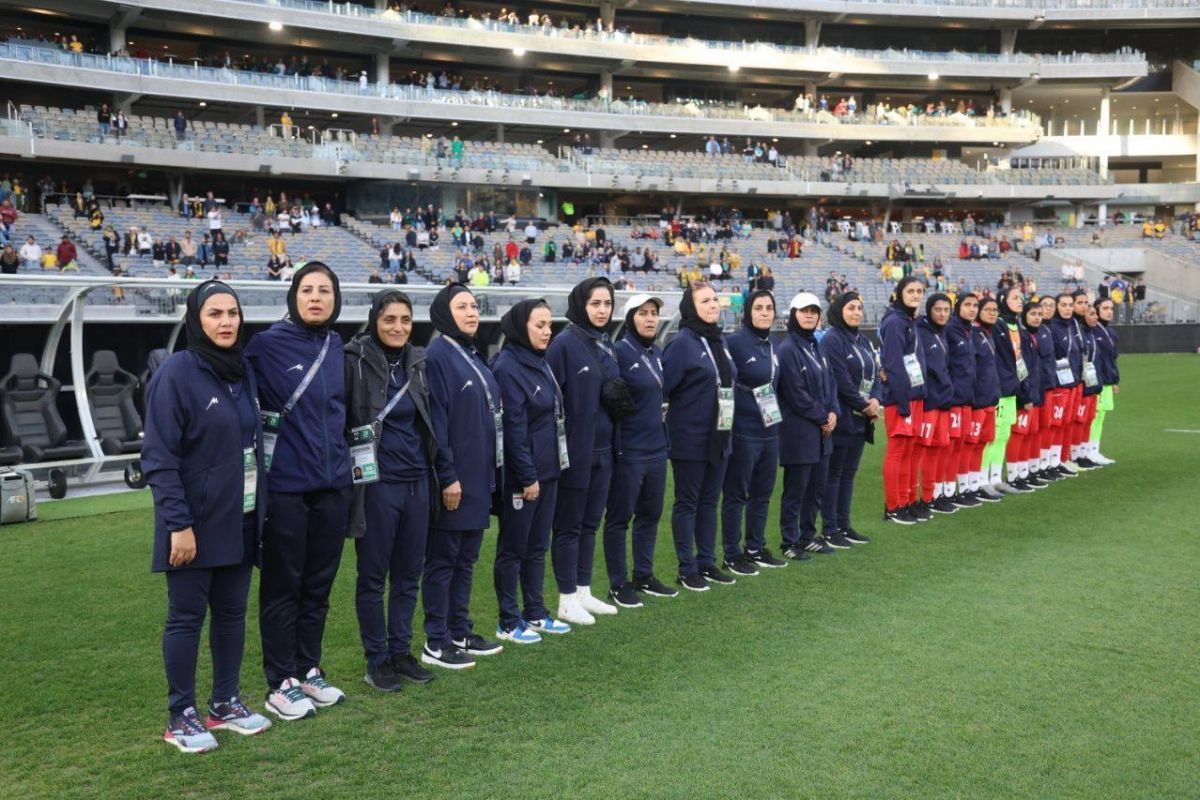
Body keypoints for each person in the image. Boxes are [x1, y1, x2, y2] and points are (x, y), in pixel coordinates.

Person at [142, 280, 272, 753]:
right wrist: (178, 524)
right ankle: (181, 715)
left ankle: (225, 703)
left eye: (233, 313)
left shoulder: (242, 371)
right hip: (191, 526)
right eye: (215, 314)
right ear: (197, 319)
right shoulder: (176, 373)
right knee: (186, 618)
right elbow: (158, 457)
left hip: (240, 518)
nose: (226, 322)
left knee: (232, 615)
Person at [245, 262, 351, 720]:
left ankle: (309, 669)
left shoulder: (336, 343)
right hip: (287, 487)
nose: (315, 298)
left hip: (333, 486)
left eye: (324, 290)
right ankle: (281, 679)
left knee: (319, 585)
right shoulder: (266, 346)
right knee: (282, 586)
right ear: (293, 296)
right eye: (307, 290)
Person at [343, 290, 438, 691]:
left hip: (417, 481)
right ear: (374, 320)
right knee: (373, 576)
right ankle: (376, 659)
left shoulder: (418, 362)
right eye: (389, 320)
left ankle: (401, 652)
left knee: (408, 574)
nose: (398, 327)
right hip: (377, 484)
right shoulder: (355, 360)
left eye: (404, 319)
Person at [422, 284, 504, 669]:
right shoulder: (438, 355)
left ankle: (460, 629)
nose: (472, 313)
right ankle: (436, 640)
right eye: (462, 307)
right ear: (443, 312)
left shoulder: (471, 352)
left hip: (479, 477)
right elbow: (437, 423)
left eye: (474, 306)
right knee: (444, 560)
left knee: (465, 559)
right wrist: (448, 475)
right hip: (455, 480)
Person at [490, 299, 573, 642]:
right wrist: (527, 477)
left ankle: (535, 612)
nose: (547, 331)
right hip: (524, 477)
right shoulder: (508, 366)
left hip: (549, 470)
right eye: (539, 325)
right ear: (521, 327)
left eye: (549, 325)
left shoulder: (541, 362)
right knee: (513, 548)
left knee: (538, 546)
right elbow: (513, 429)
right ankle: (508, 621)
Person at [547, 278, 629, 621]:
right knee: (569, 524)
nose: (601, 310)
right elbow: (551, 399)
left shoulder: (606, 342)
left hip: (605, 449)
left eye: (607, 304)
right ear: (581, 304)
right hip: (575, 451)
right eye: (595, 303)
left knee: (591, 522)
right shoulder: (564, 344)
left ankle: (583, 589)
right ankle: (566, 598)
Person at [602, 294, 678, 605]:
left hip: (656, 449)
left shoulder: (656, 352)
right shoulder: (619, 351)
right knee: (620, 518)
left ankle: (643, 576)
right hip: (630, 450)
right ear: (630, 317)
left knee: (650, 515)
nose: (650, 319)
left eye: (654, 313)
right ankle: (619, 584)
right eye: (643, 313)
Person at [664, 281, 740, 587]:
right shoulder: (682, 343)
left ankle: (707, 562)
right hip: (690, 438)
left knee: (710, 502)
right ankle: (687, 568)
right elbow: (664, 387)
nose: (712, 305)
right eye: (705, 301)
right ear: (690, 307)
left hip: (720, 435)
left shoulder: (718, 340)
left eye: (714, 300)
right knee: (688, 503)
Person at [720, 289, 789, 572]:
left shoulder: (773, 342)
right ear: (748, 312)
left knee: (763, 492)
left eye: (769, 307)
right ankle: (731, 553)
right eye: (758, 307)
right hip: (743, 429)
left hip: (770, 428)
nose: (764, 312)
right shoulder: (734, 342)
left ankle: (755, 547)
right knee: (737, 493)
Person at [777, 292, 838, 557]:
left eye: (814, 311)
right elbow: (796, 394)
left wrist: (834, 411)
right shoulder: (788, 348)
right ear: (793, 314)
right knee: (796, 490)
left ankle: (807, 535)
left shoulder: (817, 345)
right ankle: (789, 541)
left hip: (823, 431)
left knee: (816, 488)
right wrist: (823, 416)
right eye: (804, 311)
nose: (810, 315)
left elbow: (831, 383)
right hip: (799, 431)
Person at [819, 291, 881, 545]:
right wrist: (865, 404)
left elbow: (876, 374)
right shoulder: (832, 339)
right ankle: (830, 528)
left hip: (861, 418)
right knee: (834, 474)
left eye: (859, 307)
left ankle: (844, 525)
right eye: (851, 308)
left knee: (849, 473)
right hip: (843, 417)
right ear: (839, 310)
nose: (856, 312)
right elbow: (841, 380)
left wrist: (876, 399)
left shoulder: (862, 341)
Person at [879, 276, 928, 525]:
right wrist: (901, 399)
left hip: (914, 395)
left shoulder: (910, 321)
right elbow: (893, 363)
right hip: (901, 397)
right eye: (910, 290)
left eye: (919, 291)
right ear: (899, 293)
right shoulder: (895, 322)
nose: (916, 294)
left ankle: (907, 501)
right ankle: (893, 506)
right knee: (898, 451)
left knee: (910, 451)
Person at [914, 293, 956, 514]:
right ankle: (918, 498)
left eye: (946, 310)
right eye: (938, 309)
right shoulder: (921, 333)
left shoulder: (943, 333)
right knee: (923, 451)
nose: (942, 314)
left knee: (940, 450)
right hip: (929, 402)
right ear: (929, 310)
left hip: (944, 402)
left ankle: (933, 496)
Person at [943, 293, 984, 507]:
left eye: (975, 305)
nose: (972, 309)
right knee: (949, 447)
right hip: (954, 399)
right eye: (967, 305)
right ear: (957, 307)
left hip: (967, 398)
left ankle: (956, 489)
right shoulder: (951, 329)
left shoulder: (969, 331)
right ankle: (944, 493)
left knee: (961, 446)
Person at [984, 286, 1024, 494]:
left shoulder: (1016, 325)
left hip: (1011, 389)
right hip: (999, 389)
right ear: (1003, 300)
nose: (1020, 300)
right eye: (1015, 297)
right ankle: (981, 480)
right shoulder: (998, 325)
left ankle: (996, 477)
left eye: (1021, 297)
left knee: (1003, 435)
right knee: (991, 436)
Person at [1048, 293, 1084, 477]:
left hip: (1073, 382)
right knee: (1057, 424)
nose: (1068, 308)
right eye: (1064, 304)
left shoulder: (1071, 325)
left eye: (1070, 305)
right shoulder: (1053, 327)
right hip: (1059, 384)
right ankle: (1054, 461)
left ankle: (1064, 458)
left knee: (1068, 422)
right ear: (1056, 306)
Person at [1072, 294, 1103, 470]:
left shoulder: (1091, 332)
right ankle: (1074, 455)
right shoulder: (1080, 330)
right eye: (1091, 313)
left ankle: (1082, 453)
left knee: (1088, 419)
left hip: (1091, 383)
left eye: (1093, 313)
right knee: (1079, 420)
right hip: (1081, 384)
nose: (1094, 316)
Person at [1088, 297, 1119, 466]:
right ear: (1098, 309)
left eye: (1111, 308)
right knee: (1093, 417)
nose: (1109, 311)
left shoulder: (1110, 332)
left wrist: (1114, 380)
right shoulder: (1093, 330)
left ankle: (1094, 450)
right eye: (1105, 308)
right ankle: (1087, 451)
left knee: (1100, 417)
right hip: (1096, 382)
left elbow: (1112, 359)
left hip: (1107, 381)